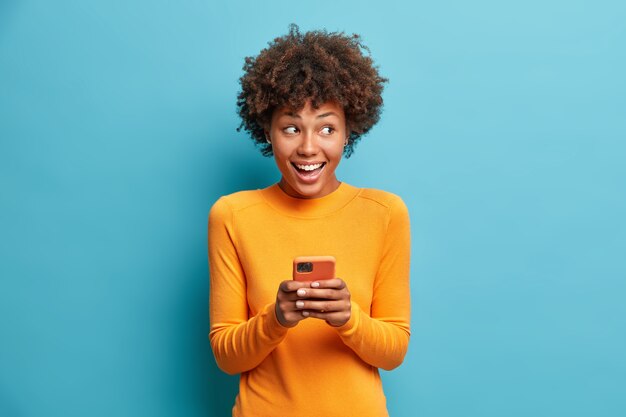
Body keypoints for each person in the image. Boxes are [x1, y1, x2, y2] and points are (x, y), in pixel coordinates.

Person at [208, 24, 411, 417]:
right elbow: (227, 357)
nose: (307, 147)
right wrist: (276, 319)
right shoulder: (232, 215)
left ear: (348, 131)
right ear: (267, 130)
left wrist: (348, 317)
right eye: (290, 128)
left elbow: (394, 350)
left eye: (327, 128)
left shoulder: (385, 214)